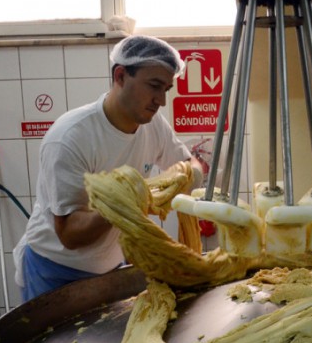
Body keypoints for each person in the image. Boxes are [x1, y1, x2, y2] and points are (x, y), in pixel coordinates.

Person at [13, 35, 204, 302]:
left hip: (112, 264)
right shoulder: (71, 137)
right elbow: (69, 234)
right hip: (55, 271)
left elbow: (186, 164)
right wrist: (122, 203)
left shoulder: (153, 124)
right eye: (154, 86)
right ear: (121, 76)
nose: (161, 100)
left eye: (167, 89)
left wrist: (192, 174)